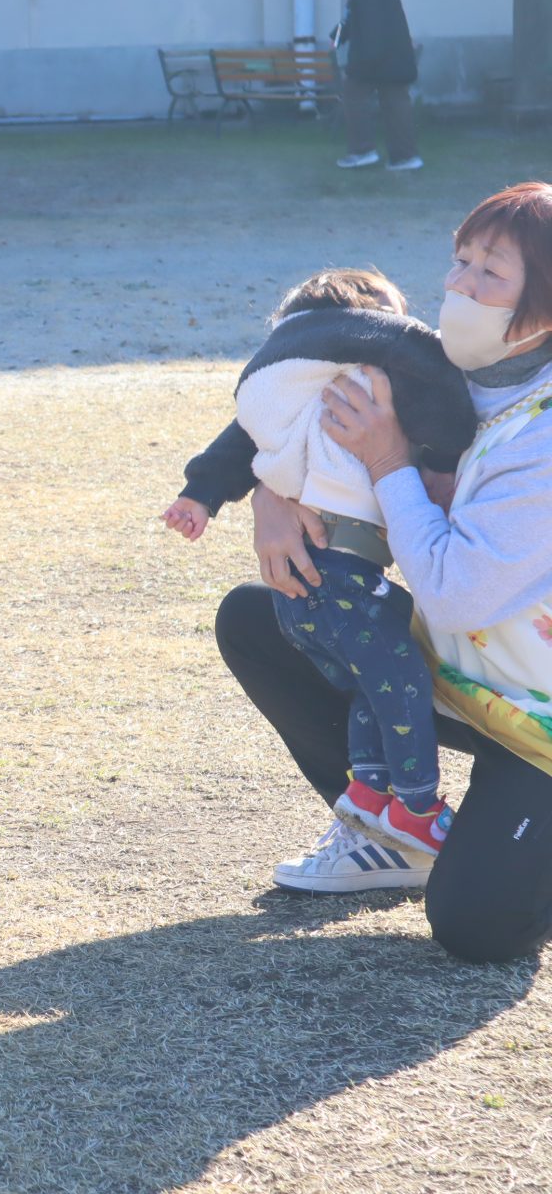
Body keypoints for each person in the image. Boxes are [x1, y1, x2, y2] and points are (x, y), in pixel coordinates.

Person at [220, 182, 552, 962]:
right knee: (262, 617)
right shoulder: (439, 371)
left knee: (477, 930)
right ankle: (391, 828)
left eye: (491, 273)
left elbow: (455, 593)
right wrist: (272, 493)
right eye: (460, 261)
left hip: (538, 717)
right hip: (459, 674)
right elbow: (294, 410)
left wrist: (388, 462)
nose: (461, 286)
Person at [165, 269, 473, 856]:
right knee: (399, 679)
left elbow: (240, 441)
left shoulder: (287, 401)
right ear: (363, 321)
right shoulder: (373, 378)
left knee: (368, 687)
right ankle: (416, 808)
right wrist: (441, 459)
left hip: (305, 593)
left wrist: (201, 493)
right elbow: (438, 398)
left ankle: (368, 792)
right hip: (345, 578)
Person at [332, 0, 421, 171]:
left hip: (376, 57)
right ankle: (405, 157)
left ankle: (363, 150)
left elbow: (369, 21)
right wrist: (337, 36)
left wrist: (364, 62)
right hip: (391, 56)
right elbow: (357, 17)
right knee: (396, 102)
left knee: (354, 94)